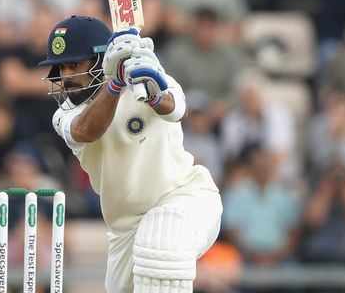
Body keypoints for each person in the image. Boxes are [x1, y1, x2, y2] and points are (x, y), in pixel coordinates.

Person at [38, 16, 222, 292]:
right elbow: (86, 131)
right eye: (61, 67)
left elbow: (176, 110)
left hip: (186, 198)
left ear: (99, 61)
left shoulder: (152, 78)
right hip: (125, 228)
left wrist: (153, 92)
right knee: (150, 249)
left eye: (74, 65)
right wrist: (114, 84)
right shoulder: (64, 113)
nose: (65, 76)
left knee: (162, 239)